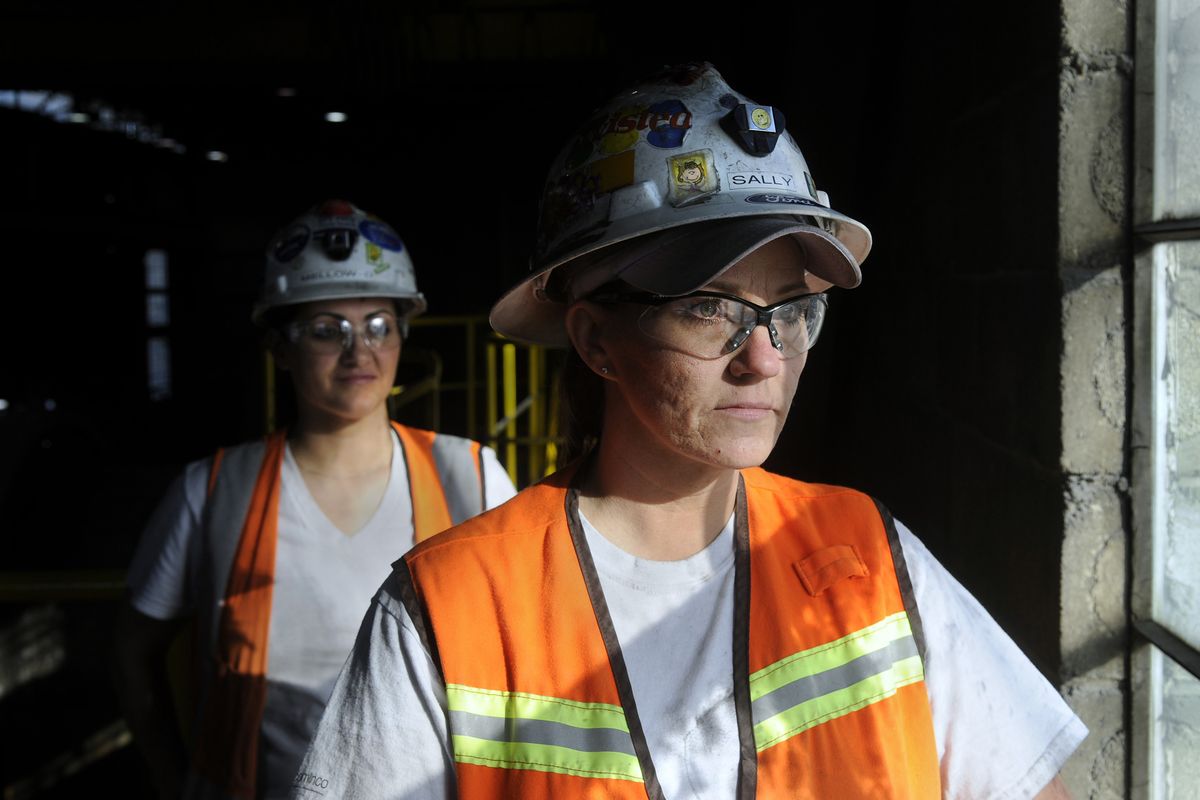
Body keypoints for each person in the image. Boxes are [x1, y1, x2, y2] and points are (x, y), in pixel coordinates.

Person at [293, 66, 1087, 799]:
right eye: (709, 307)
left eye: (792, 310)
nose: (764, 358)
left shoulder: (864, 554)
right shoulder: (451, 609)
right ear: (596, 338)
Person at [112, 199, 517, 800]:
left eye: (379, 324)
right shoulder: (213, 492)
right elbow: (133, 648)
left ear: (403, 332)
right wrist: (175, 781)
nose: (360, 352)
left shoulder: (473, 478)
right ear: (279, 349)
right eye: (327, 330)